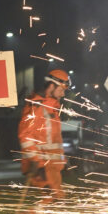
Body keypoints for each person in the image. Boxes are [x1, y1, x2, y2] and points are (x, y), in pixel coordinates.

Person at [18, 69, 70, 204]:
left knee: (56, 201)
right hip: (42, 168)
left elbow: (53, 140)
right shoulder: (37, 106)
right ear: (51, 86)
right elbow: (26, 137)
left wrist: (63, 160)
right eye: (61, 89)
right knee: (51, 202)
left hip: (52, 168)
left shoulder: (51, 108)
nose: (63, 94)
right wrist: (38, 164)